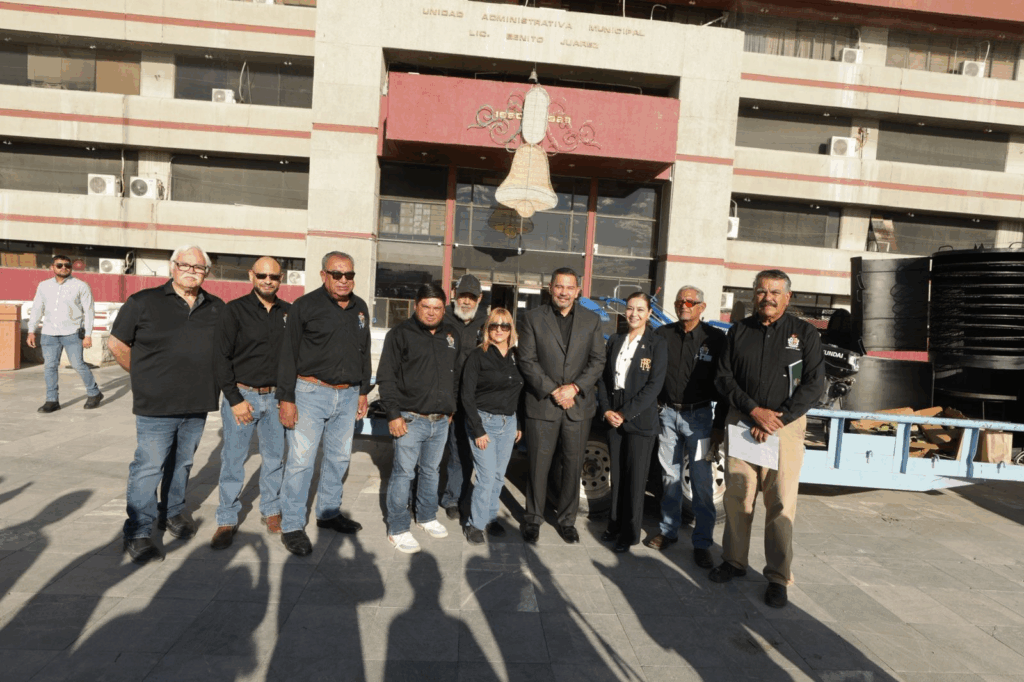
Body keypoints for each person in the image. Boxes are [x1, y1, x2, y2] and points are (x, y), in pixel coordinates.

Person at [709, 269, 824, 609]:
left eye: (775, 292)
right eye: (761, 291)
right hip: (743, 422)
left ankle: (777, 576)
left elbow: (814, 384)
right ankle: (734, 561)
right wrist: (753, 410)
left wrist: (778, 418)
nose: (767, 298)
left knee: (780, 502)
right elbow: (723, 378)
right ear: (753, 295)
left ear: (788, 297)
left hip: (784, 428)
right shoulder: (738, 331)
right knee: (738, 496)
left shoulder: (804, 333)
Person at [107, 245, 224, 565]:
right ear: (172, 267)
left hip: (197, 402)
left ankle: (171, 512)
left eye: (198, 267)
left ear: (206, 273)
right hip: (156, 405)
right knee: (149, 466)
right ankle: (138, 531)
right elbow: (116, 343)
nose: (191, 271)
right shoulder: (143, 302)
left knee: (182, 463)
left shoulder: (216, 307)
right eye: (185, 265)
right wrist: (144, 376)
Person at [275, 251, 370, 557]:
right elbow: (288, 354)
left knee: (339, 458)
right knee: (301, 461)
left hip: (347, 395)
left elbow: (364, 351)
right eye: (336, 274)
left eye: (349, 275)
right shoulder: (305, 306)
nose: (343, 280)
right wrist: (286, 398)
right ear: (323, 275)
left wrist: (363, 391)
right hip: (310, 393)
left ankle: (328, 512)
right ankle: (292, 524)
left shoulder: (360, 307)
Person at [517, 267, 605, 544]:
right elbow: (526, 360)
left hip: (578, 406)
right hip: (543, 404)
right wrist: (554, 390)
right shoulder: (532, 318)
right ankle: (533, 518)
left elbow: (598, 361)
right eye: (559, 286)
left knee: (572, 465)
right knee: (538, 466)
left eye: (569, 287)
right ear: (550, 288)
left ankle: (567, 520)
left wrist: (574, 388)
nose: (564, 292)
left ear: (578, 291)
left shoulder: (592, 320)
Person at [210, 257, 291, 550]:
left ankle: (271, 510)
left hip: (276, 399)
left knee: (274, 459)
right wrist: (235, 399)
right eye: (262, 275)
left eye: (274, 276)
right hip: (243, 397)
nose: (268, 280)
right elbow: (220, 358)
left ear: (281, 279)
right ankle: (226, 518)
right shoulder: (234, 311)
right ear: (251, 276)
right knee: (233, 460)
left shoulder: (289, 313)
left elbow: (294, 358)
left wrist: (287, 397)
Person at [646, 286, 728, 570]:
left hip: (701, 419)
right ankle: (668, 531)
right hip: (667, 416)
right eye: (680, 301)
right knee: (669, 477)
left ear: (702, 307)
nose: (684, 305)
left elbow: (725, 383)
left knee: (702, 481)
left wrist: (719, 426)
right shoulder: (662, 335)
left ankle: (702, 543)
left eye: (690, 302)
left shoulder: (715, 339)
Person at [377, 283, 460, 554]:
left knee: (431, 471)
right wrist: (393, 415)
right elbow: (386, 377)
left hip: (440, 420)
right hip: (409, 419)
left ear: (444, 308)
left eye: (437, 307)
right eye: (426, 306)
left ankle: (426, 516)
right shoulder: (400, 334)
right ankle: (398, 528)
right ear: (416, 306)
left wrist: (450, 408)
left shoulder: (451, 334)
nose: (431, 312)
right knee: (403, 473)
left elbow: (454, 375)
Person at [596, 292, 666, 553]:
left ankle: (629, 533)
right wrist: (606, 410)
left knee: (635, 480)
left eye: (640, 309)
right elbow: (604, 380)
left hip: (640, 420)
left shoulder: (657, 343)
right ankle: (614, 524)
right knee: (617, 477)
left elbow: (654, 386)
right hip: (613, 418)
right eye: (629, 308)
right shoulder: (615, 340)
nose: (634, 314)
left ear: (649, 313)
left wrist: (625, 413)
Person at [460, 307, 523, 545]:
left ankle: (489, 517)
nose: (499, 330)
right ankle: (475, 524)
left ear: (510, 329)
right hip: (484, 422)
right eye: (494, 325)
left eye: (504, 325)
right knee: (486, 477)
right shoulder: (478, 355)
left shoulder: (517, 356)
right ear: (487, 328)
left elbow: (520, 392)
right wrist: (478, 429)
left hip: (509, 423)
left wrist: (519, 424)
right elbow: (466, 395)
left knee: (498, 476)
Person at [26, 254, 103, 412]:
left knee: (77, 364)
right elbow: (37, 309)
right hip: (49, 333)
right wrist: (31, 330)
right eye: (59, 265)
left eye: (67, 265)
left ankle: (94, 393)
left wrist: (88, 334)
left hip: (72, 333)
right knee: (50, 367)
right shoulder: (43, 286)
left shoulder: (81, 286)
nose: (64, 268)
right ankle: (52, 400)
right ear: (52, 267)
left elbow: (89, 312)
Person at [440, 274, 488, 521]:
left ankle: (456, 498)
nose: (466, 301)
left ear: (479, 298)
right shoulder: (442, 317)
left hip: (473, 400)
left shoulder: (488, 323)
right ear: (454, 295)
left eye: (471, 297)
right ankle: (424, 496)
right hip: (443, 397)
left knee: (463, 451)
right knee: (433, 452)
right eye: (462, 296)